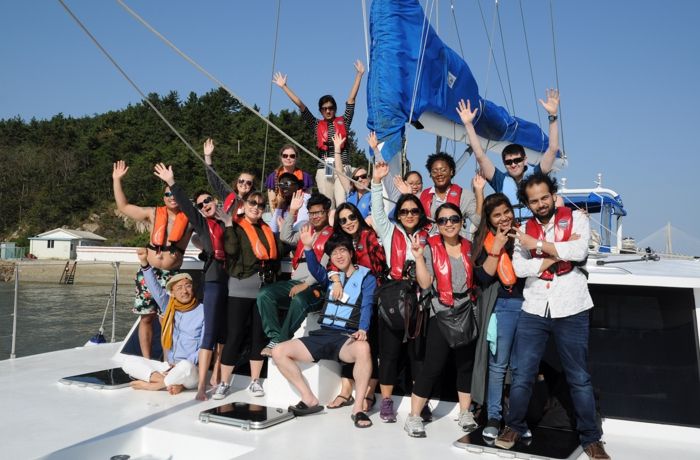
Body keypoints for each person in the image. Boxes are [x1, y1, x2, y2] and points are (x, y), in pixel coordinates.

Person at [495, 172, 610, 460]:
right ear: (527, 204)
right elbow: (520, 268)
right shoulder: (522, 229)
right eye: (534, 201)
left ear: (553, 195)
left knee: (579, 377)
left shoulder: (577, 218)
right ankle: (514, 426)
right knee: (522, 374)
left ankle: (591, 438)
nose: (541, 204)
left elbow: (579, 251)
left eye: (545, 197)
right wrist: (557, 254)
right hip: (534, 307)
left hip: (572, 306)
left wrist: (537, 246)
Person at [271, 231, 376, 428]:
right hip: (323, 335)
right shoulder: (330, 277)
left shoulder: (366, 278)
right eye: (334, 253)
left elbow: (367, 305)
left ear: (351, 252)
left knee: (363, 348)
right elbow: (314, 268)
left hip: (345, 338)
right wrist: (308, 248)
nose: (338, 256)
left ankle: (358, 408)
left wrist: (363, 329)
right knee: (278, 351)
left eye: (342, 250)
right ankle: (308, 398)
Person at [153, 163, 228, 401]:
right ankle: (202, 385)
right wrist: (172, 183)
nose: (205, 205)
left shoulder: (232, 222)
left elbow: (230, 193)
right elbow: (186, 205)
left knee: (225, 332)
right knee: (210, 333)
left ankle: (217, 373)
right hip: (215, 281)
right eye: (201, 204)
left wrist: (209, 162)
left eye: (208, 201)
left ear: (216, 201)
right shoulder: (203, 226)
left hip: (234, 282)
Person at [404, 203, 479, 438]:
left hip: (467, 310)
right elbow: (425, 284)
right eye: (443, 220)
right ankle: (414, 416)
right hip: (441, 311)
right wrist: (418, 257)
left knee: (465, 365)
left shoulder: (470, 246)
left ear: (461, 221)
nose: (449, 224)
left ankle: (465, 412)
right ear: (437, 224)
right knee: (432, 366)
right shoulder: (430, 248)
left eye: (454, 219)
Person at [371, 159, 432, 424]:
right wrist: (376, 181)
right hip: (393, 299)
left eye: (414, 211)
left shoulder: (430, 234)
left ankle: (420, 401)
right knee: (389, 354)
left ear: (420, 213)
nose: (408, 214)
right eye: (404, 211)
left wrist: (412, 192)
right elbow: (377, 210)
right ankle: (386, 401)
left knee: (418, 356)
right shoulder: (388, 231)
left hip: (419, 300)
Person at [112, 160, 193, 359]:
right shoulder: (153, 213)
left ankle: (168, 361)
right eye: (167, 194)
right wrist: (117, 180)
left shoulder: (191, 219)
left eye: (174, 193)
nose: (171, 197)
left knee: (168, 319)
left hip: (172, 276)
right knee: (146, 318)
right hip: (149, 274)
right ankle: (147, 361)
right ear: (163, 198)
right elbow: (123, 206)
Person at [211, 191, 281, 401]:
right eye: (253, 203)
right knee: (234, 336)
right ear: (245, 204)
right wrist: (228, 224)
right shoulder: (235, 226)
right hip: (239, 289)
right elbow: (231, 250)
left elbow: (277, 254)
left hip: (263, 290)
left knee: (258, 336)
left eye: (260, 205)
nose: (256, 207)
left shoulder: (266, 229)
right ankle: (224, 383)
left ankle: (255, 381)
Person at [456, 89, 561, 221]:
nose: (513, 164)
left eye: (517, 160)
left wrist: (552, 116)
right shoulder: (500, 180)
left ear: (525, 160)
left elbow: (552, 149)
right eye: (508, 162)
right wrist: (468, 124)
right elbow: (480, 156)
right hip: (510, 230)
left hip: (535, 229)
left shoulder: (537, 173)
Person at [469, 193, 525, 440]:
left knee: (522, 366)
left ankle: (517, 419)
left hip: (531, 305)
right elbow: (483, 277)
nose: (504, 218)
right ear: (489, 219)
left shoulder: (524, 234)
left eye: (507, 212)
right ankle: (494, 416)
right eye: (497, 215)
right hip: (503, 306)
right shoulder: (484, 240)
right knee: (498, 364)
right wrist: (497, 247)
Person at [273, 60, 365, 208]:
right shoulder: (316, 124)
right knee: (328, 204)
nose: (328, 111)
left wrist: (359, 75)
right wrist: (284, 86)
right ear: (321, 110)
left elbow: (351, 100)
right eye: (324, 108)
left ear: (335, 108)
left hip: (342, 166)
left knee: (343, 201)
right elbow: (301, 106)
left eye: (331, 108)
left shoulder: (344, 121)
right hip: (325, 166)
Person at [326, 202, 386, 412]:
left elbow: (380, 262)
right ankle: (346, 389)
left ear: (358, 217)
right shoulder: (339, 241)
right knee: (347, 340)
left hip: (370, 294)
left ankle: (369, 390)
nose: (348, 222)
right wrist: (336, 279)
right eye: (343, 220)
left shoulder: (369, 236)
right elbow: (330, 264)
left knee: (370, 344)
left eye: (352, 217)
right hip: (348, 298)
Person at [257, 192, 333, 354]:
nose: (315, 217)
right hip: (296, 282)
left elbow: (325, 267)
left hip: (317, 287)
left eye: (319, 212)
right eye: (311, 213)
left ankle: (281, 341)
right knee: (265, 294)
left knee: (299, 299)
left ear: (327, 212)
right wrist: (292, 211)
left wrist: (306, 284)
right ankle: (274, 336)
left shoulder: (333, 237)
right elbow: (286, 237)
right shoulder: (307, 231)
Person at [122, 248, 203, 395]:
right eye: (179, 288)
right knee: (128, 362)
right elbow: (154, 287)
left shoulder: (203, 311)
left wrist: (178, 368)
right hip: (168, 366)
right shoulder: (168, 307)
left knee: (185, 365)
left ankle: (155, 385)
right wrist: (144, 263)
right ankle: (171, 383)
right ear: (173, 293)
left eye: (188, 286)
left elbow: (204, 348)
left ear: (193, 288)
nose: (184, 291)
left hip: (191, 369)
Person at [420, 152, 482, 233]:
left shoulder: (465, 196)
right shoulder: (421, 197)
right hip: (429, 240)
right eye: (434, 171)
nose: (439, 174)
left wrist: (479, 191)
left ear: (451, 171)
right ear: (430, 174)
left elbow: (479, 222)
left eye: (443, 170)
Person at [203, 138, 255, 219]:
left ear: (252, 186)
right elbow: (214, 181)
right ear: (237, 182)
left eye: (248, 183)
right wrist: (207, 156)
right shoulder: (228, 196)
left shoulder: (254, 203)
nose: (244, 184)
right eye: (241, 181)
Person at [332, 133, 372, 222]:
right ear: (353, 182)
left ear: (369, 178)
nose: (360, 179)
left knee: (370, 219)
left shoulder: (374, 195)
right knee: (332, 213)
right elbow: (340, 171)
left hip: (365, 226)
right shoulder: (350, 192)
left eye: (363, 176)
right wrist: (337, 149)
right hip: (348, 225)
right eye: (356, 178)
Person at [265, 144, 314, 211]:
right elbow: (272, 204)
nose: (288, 158)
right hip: (278, 211)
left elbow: (307, 202)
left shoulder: (305, 177)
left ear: (296, 158)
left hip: (299, 212)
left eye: (292, 156)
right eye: (285, 156)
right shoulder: (272, 177)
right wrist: (275, 216)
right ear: (281, 158)